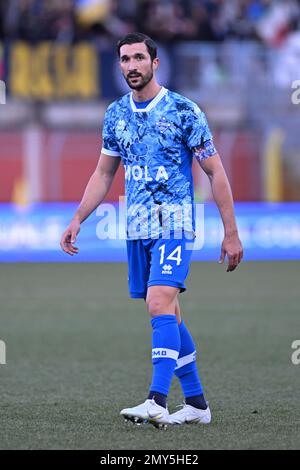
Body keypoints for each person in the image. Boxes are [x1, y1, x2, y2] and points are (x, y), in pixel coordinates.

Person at [60, 32, 243, 429]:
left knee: (158, 302)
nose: (131, 66)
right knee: (170, 315)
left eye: (139, 58)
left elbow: (215, 171)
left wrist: (231, 231)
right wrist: (78, 217)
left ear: (154, 63)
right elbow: (104, 172)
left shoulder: (183, 111)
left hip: (174, 223)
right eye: (125, 59)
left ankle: (156, 400)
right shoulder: (115, 114)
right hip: (137, 226)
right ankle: (196, 404)